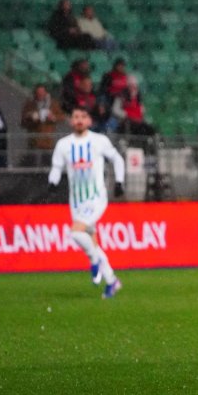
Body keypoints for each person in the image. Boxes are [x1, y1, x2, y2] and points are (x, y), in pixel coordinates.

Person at [48, 106, 126, 298]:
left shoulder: (99, 141)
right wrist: (53, 182)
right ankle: (112, 281)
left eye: (83, 116)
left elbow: (117, 159)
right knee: (93, 242)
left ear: (89, 121)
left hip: (96, 197)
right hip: (76, 202)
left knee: (75, 232)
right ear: (70, 121)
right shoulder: (63, 145)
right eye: (76, 116)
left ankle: (94, 261)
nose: (79, 120)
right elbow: (56, 167)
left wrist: (119, 181)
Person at [20, 83, 63, 166]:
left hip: (48, 141)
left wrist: (53, 117)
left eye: (42, 92)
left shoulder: (53, 104)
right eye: (38, 93)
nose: (40, 95)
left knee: (47, 164)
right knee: (32, 165)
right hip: (34, 141)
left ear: (46, 93)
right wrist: (31, 117)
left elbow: (62, 116)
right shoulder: (30, 104)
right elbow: (23, 121)